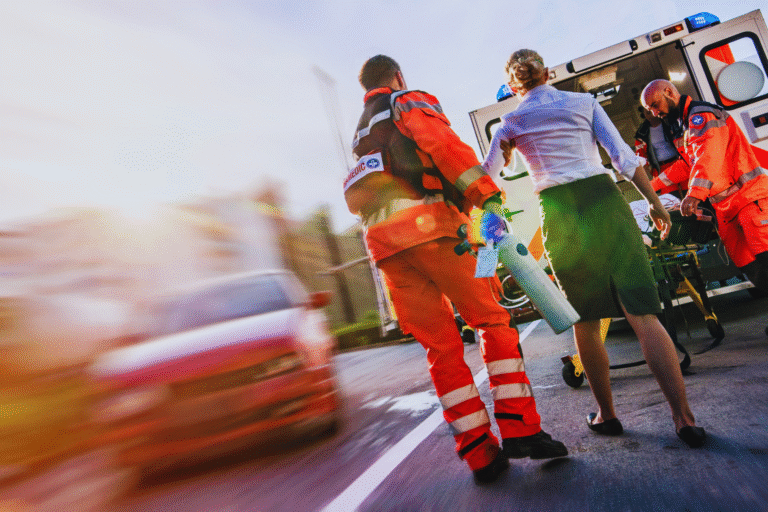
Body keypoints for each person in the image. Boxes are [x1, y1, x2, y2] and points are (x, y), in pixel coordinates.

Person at [344, 55, 567, 486]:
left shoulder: (361, 133)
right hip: (433, 233)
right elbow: (445, 149)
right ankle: (521, 430)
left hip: (386, 251)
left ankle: (479, 454)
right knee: (492, 322)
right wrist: (488, 197)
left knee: (440, 350)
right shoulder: (407, 101)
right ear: (398, 75)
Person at [483, 49, 706, 448]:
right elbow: (623, 158)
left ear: (513, 85)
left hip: (559, 212)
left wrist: (489, 241)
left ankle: (607, 415)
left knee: (585, 321)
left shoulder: (511, 121)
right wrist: (657, 206)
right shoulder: (583, 103)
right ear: (548, 72)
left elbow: (486, 180)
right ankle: (684, 419)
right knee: (643, 314)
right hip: (604, 202)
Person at [642, 80, 768, 333]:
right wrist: (649, 186)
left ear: (669, 92)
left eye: (655, 105)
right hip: (727, 208)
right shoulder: (685, 125)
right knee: (749, 264)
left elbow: (707, 155)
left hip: (748, 198)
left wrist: (694, 195)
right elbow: (687, 164)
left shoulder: (701, 116)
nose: (654, 113)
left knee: (765, 258)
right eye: (650, 110)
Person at [634, 106, 690, 198]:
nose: (648, 112)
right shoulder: (642, 133)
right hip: (661, 169)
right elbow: (641, 158)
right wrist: (647, 176)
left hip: (680, 162)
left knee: (689, 191)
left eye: (650, 109)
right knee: (670, 198)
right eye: (646, 111)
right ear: (643, 114)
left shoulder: (670, 123)